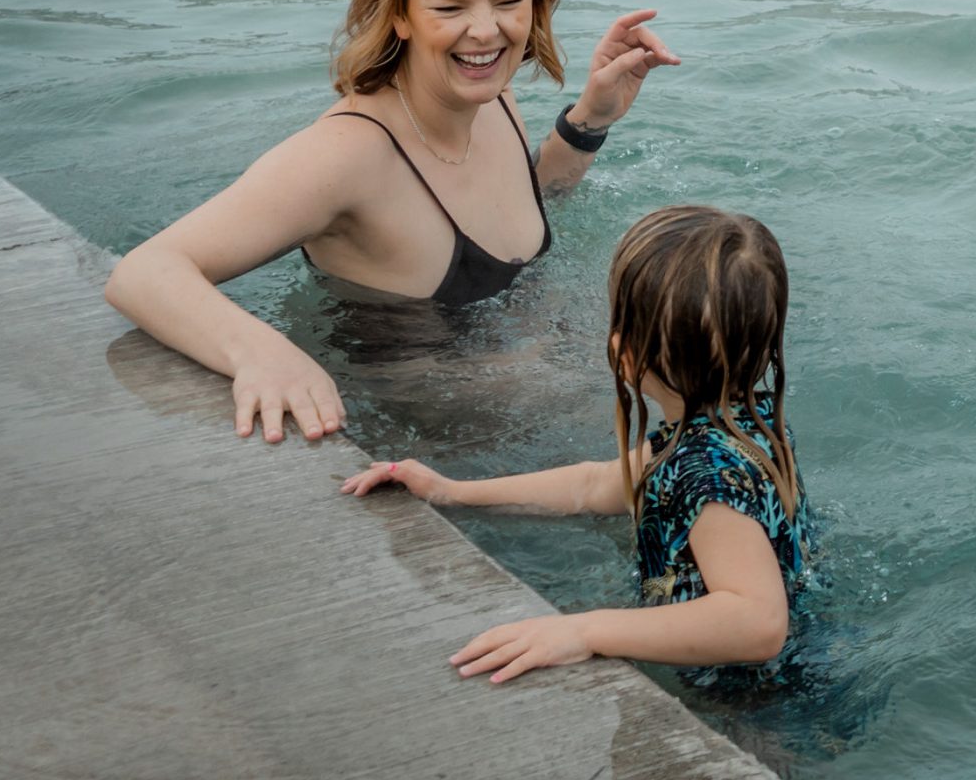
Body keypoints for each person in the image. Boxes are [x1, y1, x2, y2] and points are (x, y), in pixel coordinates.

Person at [105, 0, 677, 442]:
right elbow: (145, 272)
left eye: (509, 1)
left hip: (546, 397)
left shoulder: (492, 95)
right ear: (399, 12)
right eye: (450, 7)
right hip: (436, 449)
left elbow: (529, 203)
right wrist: (263, 354)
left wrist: (591, 119)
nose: (486, 31)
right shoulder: (347, 157)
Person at [341, 204, 815, 684]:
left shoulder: (706, 479)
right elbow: (594, 485)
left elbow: (758, 624)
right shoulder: (741, 424)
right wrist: (452, 492)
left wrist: (585, 631)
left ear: (625, 354)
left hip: (755, 704)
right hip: (790, 667)